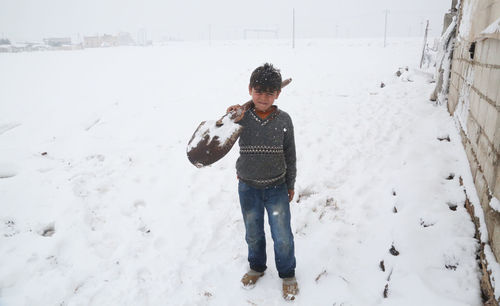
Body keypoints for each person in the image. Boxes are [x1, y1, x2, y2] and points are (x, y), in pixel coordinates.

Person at [227, 63, 298, 301]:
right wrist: (230, 115)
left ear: (278, 93)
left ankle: (287, 274)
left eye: (270, 92)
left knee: (282, 235)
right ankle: (257, 267)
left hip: (277, 186)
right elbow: (219, 133)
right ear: (250, 90)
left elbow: (290, 154)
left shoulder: (284, 120)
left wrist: (290, 183)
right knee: (253, 232)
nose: (264, 97)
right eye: (259, 91)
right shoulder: (241, 118)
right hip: (248, 187)